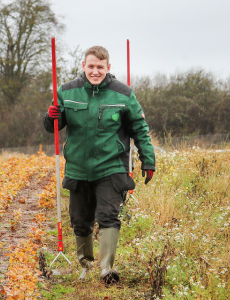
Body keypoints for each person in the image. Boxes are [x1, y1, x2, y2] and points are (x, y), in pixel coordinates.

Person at [43, 45, 155, 284]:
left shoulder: (123, 94)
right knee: (80, 220)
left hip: (110, 167)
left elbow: (140, 130)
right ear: (83, 66)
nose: (95, 71)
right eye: (91, 66)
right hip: (78, 168)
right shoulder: (66, 91)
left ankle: (107, 270)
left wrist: (148, 160)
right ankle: (86, 265)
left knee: (108, 216)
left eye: (100, 67)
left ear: (108, 68)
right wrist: (50, 116)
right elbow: (53, 124)